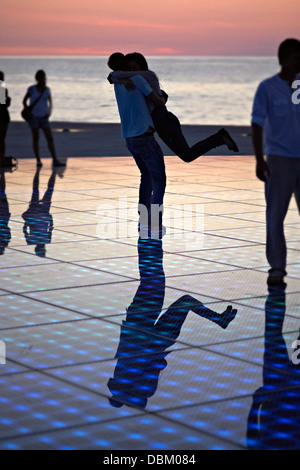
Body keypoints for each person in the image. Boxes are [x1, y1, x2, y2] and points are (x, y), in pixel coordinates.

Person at [108, 52, 239, 163]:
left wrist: (114, 76)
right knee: (186, 154)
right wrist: (116, 77)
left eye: (134, 67)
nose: (131, 72)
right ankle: (220, 138)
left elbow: (118, 75)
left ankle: (219, 138)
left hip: (166, 123)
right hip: (161, 124)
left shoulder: (147, 75)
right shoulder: (137, 78)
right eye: (129, 69)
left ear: (141, 66)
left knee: (187, 155)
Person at [251, 38, 300, 286]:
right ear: (283, 60)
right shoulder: (267, 88)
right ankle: (277, 269)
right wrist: (260, 159)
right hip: (279, 160)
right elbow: (257, 124)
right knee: (275, 216)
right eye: (295, 57)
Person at [107, 53, 167, 237]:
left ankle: (143, 217)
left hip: (129, 138)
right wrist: (163, 96)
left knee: (146, 176)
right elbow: (158, 102)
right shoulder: (140, 79)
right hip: (144, 135)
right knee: (159, 180)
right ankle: (154, 220)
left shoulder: (117, 83)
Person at [22, 70, 65, 167]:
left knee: (50, 138)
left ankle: (54, 159)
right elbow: (24, 101)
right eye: (41, 77)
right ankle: (38, 160)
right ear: (37, 78)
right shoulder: (32, 89)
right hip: (34, 118)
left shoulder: (47, 90)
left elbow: (50, 103)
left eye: (43, 77)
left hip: (44, 117)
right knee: (36, 138)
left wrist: (49, 112)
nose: (43, 79)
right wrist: (29, 112)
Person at [0, 71, 11, 167]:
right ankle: (2, 159)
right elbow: (3, 103)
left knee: (2, 139)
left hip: (3, 117)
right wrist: (8, 101)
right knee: (2, 139)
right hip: (3, 117)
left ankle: (2, 159)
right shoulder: (3, 89)